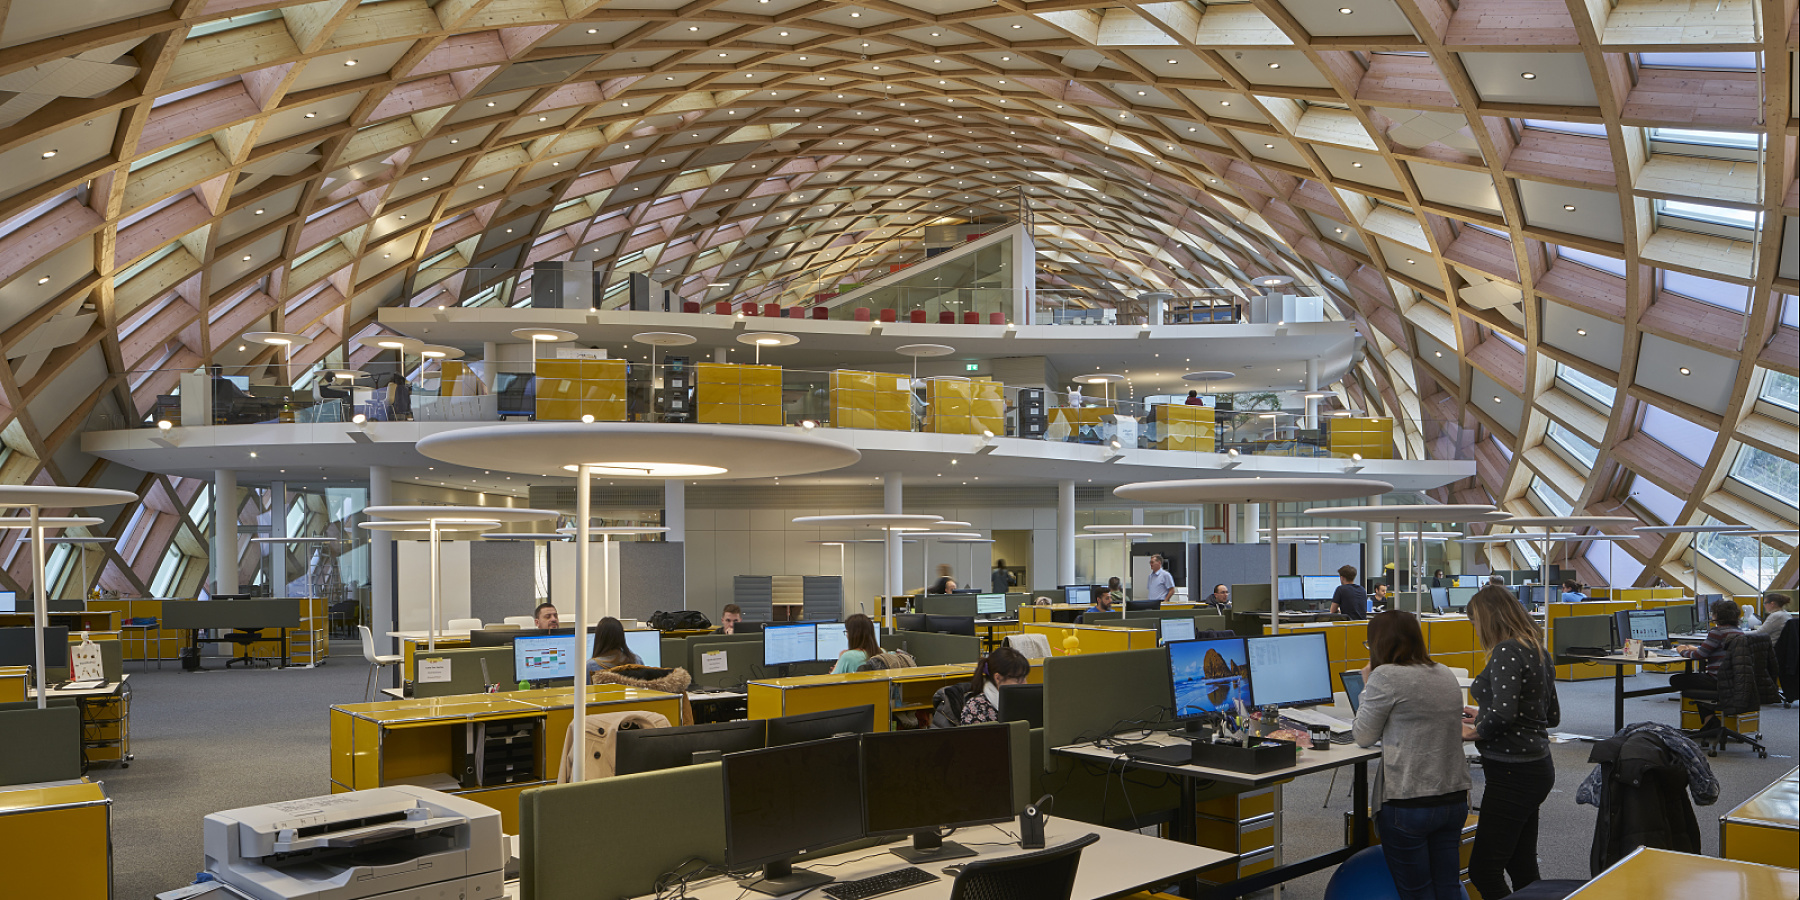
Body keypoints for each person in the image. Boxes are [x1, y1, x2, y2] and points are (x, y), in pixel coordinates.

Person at [1352, 611, 1471, 900]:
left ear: (1378, 644)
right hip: (1453, 798)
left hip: (1410, 802)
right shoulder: (1443, 672)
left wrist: (1367, 684)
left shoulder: (1385, 676)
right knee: (1447, 888)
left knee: (1417, 893)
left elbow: (1363, 735)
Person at [1463, 585, 1561, 900]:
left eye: (1475, 621)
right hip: (1536, 767)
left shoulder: (1506, 650)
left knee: (1484, 870)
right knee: (1522, 868)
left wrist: (1471, 731)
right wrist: (1483, 711)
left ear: (1489, 619)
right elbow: (1550, 714)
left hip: (1512, 773)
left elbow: (1504, 716)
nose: (1475, 629)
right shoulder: (1538, 649)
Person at [1674, 598, 1744, 678]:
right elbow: (1720, 650)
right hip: (1731, 678)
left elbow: (1698, 656)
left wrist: (1682, 651)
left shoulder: (1717, 633)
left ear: (1717, 615)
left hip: (1716, 678)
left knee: (1676, 679)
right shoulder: (1739, 632)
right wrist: (1696, 648)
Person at [960, 646, 1031, 724]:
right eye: (1018, 680)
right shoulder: (976, 708)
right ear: (998, 678)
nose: (1024, 683)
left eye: (1024, 678)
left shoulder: (1025, 702)